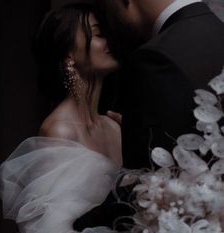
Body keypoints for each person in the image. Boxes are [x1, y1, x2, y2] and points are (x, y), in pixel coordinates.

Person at [0, 1, 123, 233]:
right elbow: (50, 228)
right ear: (68, 56)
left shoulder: (113, 127)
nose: (109, 42)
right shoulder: (60, 130)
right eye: (98, 34)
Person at [95, 0, 224, 169]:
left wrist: (132, 139)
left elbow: (151, 178)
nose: (112, 20)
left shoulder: (156, 57)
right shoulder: (217, 29)